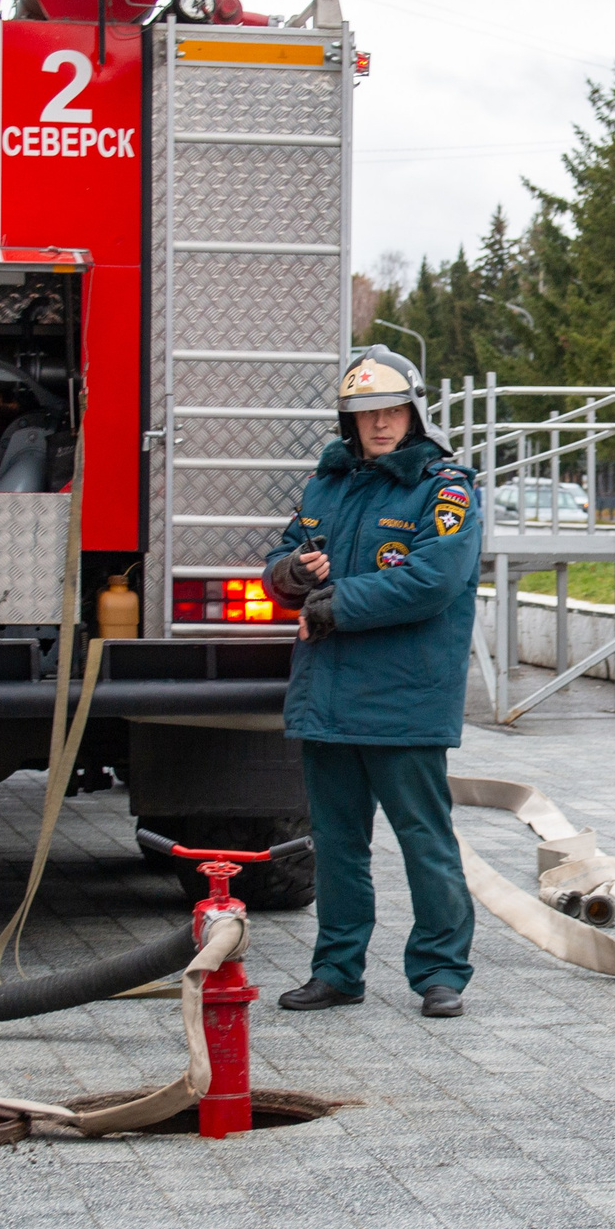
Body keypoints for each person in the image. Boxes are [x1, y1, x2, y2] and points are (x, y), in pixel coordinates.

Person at [260, 346, 483, 1018]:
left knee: (424, 841)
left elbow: (434, 579)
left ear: (414, 413)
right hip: (327, 699)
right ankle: (336, 971)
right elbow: (281, 561)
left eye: (391, 410)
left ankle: (441, 973)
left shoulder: (445, 488)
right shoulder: (326, 485)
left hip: (404, 701)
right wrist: (293, 573)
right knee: (336, 847)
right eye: (366, 413)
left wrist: (336, 603)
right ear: (348, 420)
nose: (380, 424)